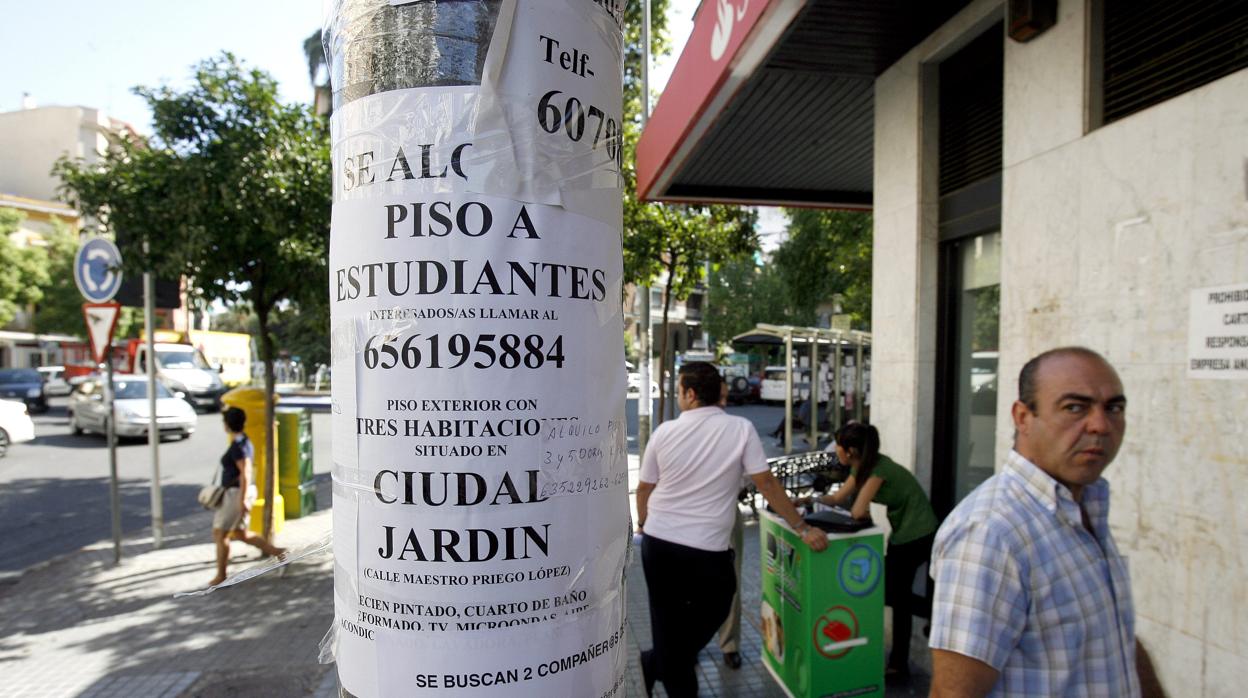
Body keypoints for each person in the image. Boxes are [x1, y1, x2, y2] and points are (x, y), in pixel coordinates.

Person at [928, 347, 1164, 697]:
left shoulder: (1084, 507)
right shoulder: (991, 534)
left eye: (1114, 408)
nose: (1100, 425)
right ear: (1023, 417)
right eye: (1074, 407)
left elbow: (1113, 636)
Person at [636, 362, 827, 697]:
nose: (678, 396)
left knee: (678, 625)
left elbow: (645, 488)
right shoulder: (741, 428)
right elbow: (766, 483)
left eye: (679, 390)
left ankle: (656, 662)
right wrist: (801, 527)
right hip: (693, 548)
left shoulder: (665, 432)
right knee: (703, 614)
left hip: (663, 545)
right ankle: (660, 662)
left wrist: (643, 522)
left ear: (691, 394)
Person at [794, 420, 938, 678]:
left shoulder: (877, 470)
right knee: (893, 594)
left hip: (918, 533)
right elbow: (838, 498)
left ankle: (926, 621)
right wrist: (808, 500)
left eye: (838, 447)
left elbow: (858, 510)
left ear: (850, 451)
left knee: (892, 594)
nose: (835, 451)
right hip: (904, 533)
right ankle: (904, 654)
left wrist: (860, 511)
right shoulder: (862, 467)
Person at [208, 407, 285, 587]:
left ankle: (221, 575)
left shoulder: (239, 446)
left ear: (228, 424)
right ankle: (280, 553)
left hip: (235, 494)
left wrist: (242, 499)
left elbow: (246, 471)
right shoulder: (243, 441)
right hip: (238, 493)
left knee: (220, 533)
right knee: (240, 534)